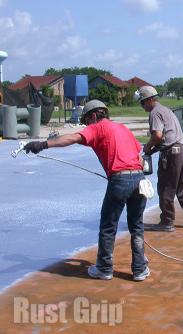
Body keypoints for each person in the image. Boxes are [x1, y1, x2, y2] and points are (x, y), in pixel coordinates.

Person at [24, 99, 150, 281]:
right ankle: (139, 270)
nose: (86, 125)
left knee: (108, 226)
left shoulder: (97, 127)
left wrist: (43, 145)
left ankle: (105, 268)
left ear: (93, 115)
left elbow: (72, 138)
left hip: (119, 180)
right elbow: (139, 155)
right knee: (136, 226)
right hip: (139, 179)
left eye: (86, 121)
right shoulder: (122, 128)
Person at [136, 86, 183, 232]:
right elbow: (165, 138)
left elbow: (158, 136)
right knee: (181, 186)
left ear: (148, 100)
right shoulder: (166, 110)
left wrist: (147, 148)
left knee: (166, 187)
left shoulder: (155, 113)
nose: (142, 106)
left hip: (172, 153)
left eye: (142, 103)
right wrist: (153, 151)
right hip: (182, 150)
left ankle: (167, 221)